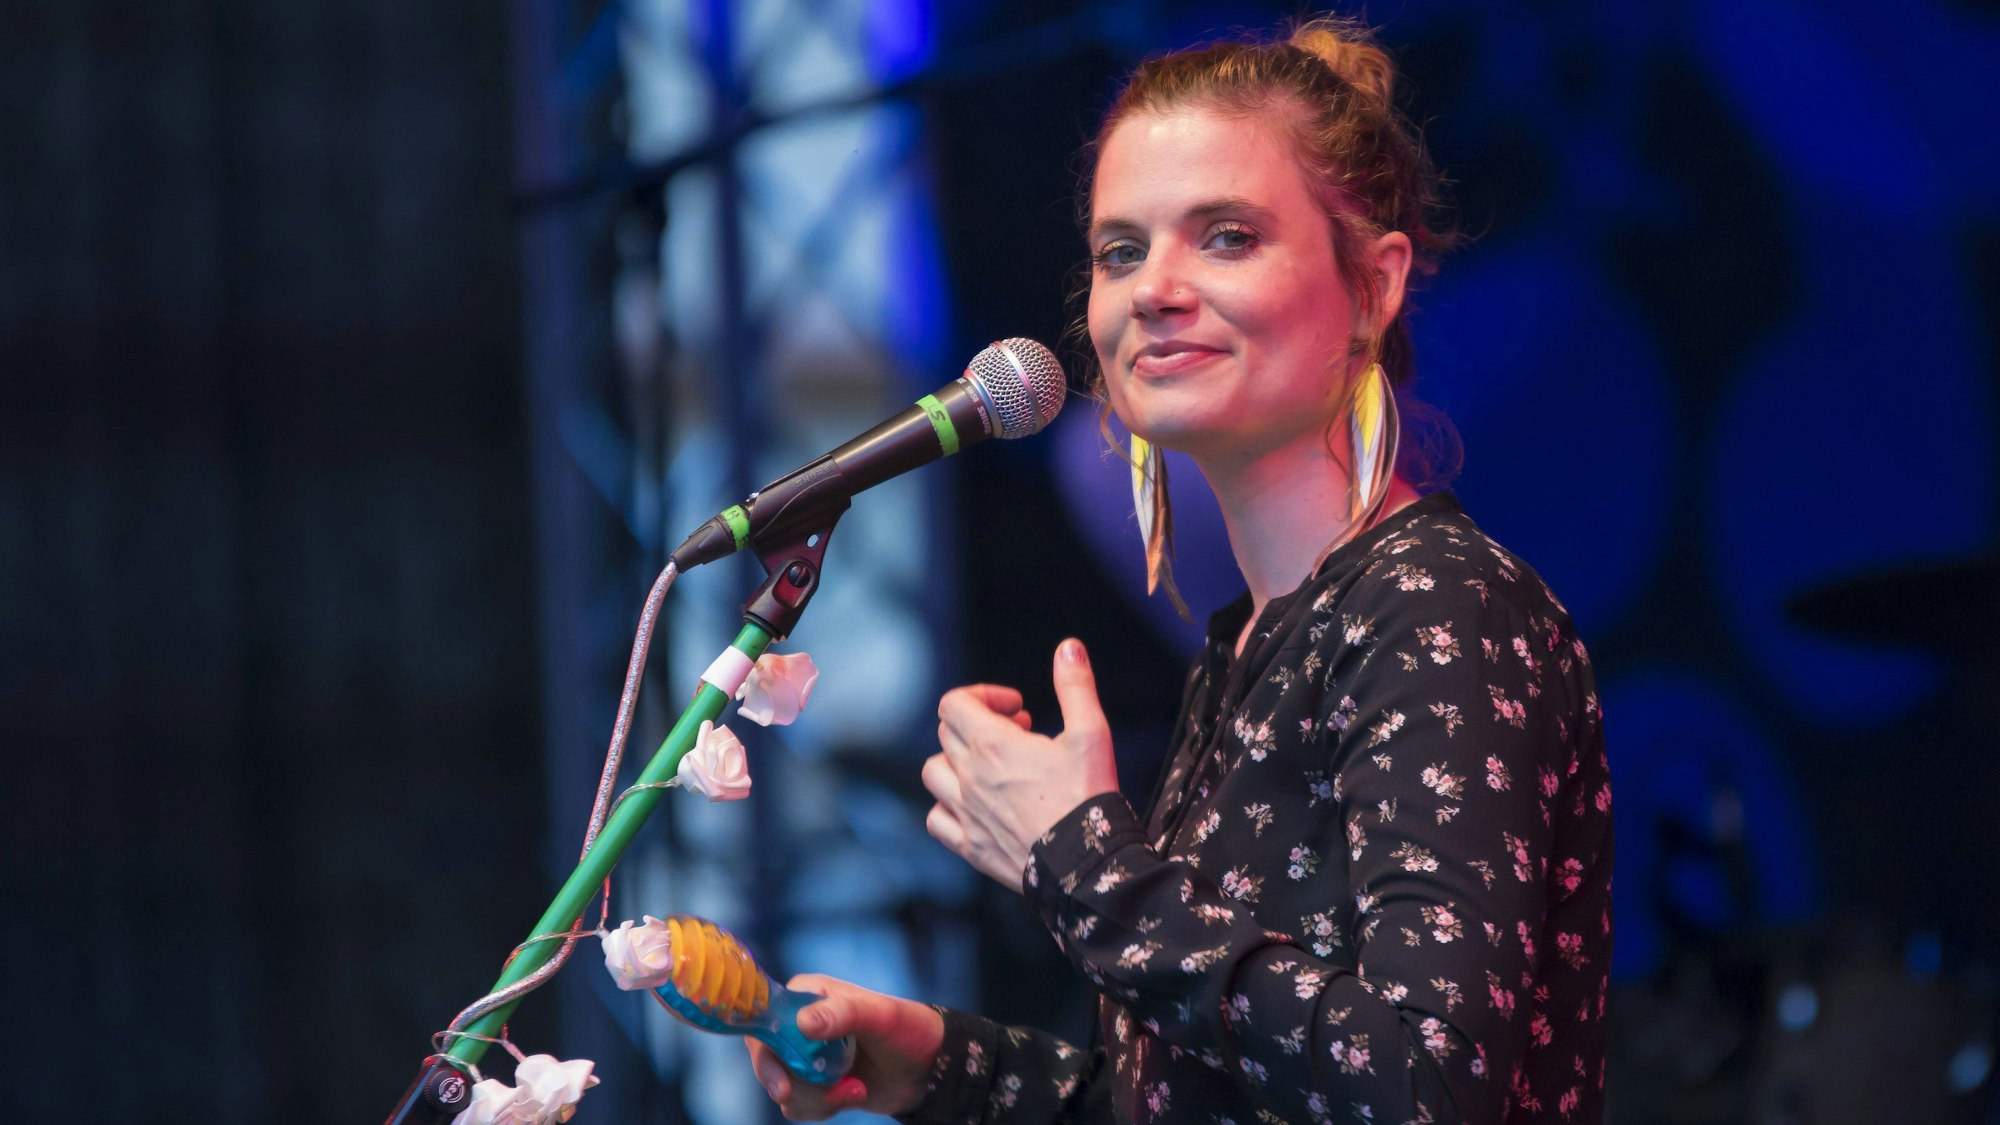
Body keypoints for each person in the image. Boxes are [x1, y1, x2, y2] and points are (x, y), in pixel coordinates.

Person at [746, 16, 1611, 1124]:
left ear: (1371, 287)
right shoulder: (1247, 641)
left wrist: (1081, 858)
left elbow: (1423, 1089)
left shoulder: (1436, 608)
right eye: (1120, 251)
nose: (1153, 287)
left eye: (1226, 237)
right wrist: (939, 1062)